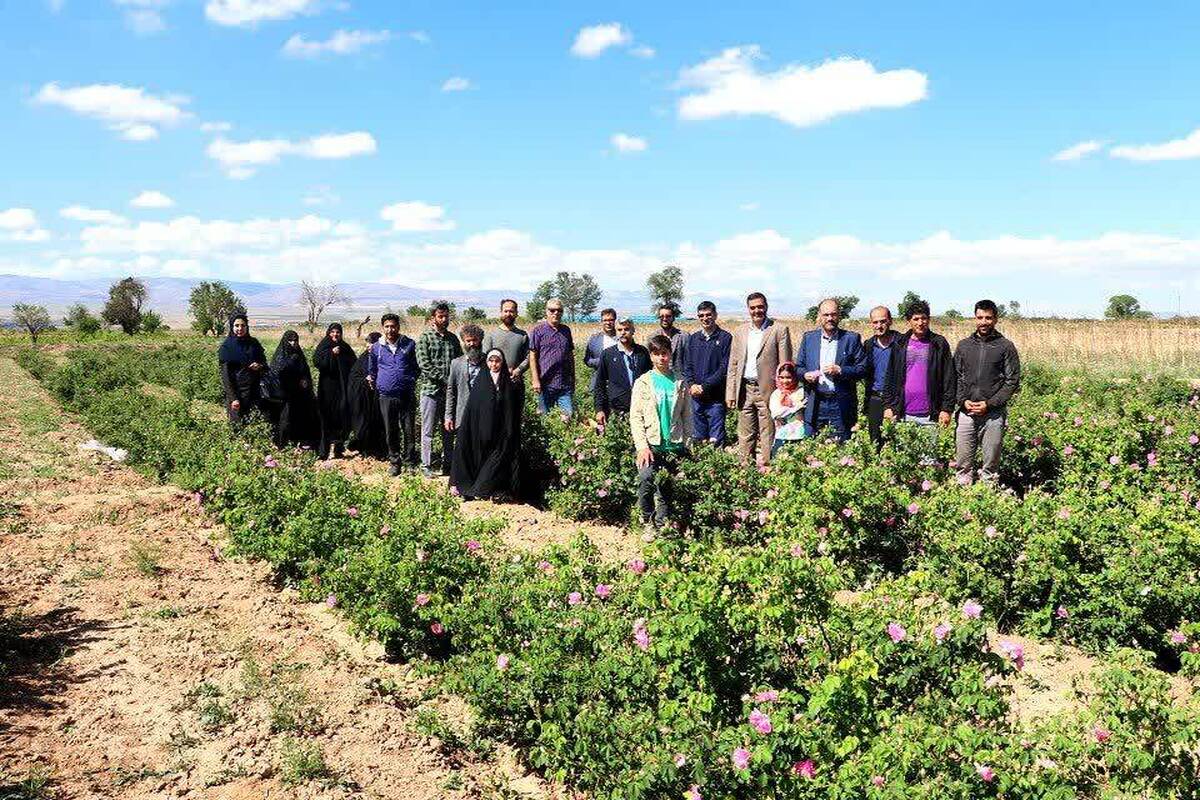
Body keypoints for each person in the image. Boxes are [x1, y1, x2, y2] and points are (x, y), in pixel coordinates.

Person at [953, 300, 1021, 485]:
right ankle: (963, 502)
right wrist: (962, 401)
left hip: (993, 415)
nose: (984, 322)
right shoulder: (964, 346)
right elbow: (956, 376)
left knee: (990, 466)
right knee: (963, 464)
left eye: (988, 318)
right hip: (967, 413)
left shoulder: (1005, 346)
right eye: (980, 317)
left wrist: (989, 404)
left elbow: (1012, 380)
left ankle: (987, 502)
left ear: (996, 319)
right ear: (975, 318)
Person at [630, 335, 692, 529]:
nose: (661, 358)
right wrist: (642, 447)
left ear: (670, 354)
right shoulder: (643, 382)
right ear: (651, 356)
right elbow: (636, 417)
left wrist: (688, 445)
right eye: (656, 354)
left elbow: (687, 416)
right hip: (651, 445)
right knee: (645, 479)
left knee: (666, 488)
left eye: (664, 353)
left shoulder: (680, 382)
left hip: (674, 444)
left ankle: (662, 524)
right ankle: (647, 519)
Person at [725, 293, 793, 465]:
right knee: (745, 434)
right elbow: (733, 364)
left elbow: (786, 365)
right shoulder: (740, 332)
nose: (757, 311)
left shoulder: (778, 330)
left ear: (766, 307)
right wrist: (730, 393)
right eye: (753, 307)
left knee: (768, 432)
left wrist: (785, 393)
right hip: (745, 389)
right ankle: (746, 474)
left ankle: (769, 472)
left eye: (760, 307)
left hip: (769, 390)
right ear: (748, 309)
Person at [882, 301, 955, 458]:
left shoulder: (939, 343)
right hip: (903, 414)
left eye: (924, 318)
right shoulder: (900, 343)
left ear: (929, 319)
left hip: (930, 415)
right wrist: (888, 405)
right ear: (909, 321)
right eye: (916, 319)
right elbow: (890, 376)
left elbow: (949, 378)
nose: (920, 323)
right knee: (904, 461)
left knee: (928, 462)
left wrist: (946, 409)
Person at [450, 349, 521, 501]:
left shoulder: (507, 381)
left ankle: (487, 487)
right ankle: (470, 486)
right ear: (487, 362)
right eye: (491, 361)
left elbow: (510, 409)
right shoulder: (481, 380)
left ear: (502, 363)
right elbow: (473, 407)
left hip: (499, 431)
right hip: (480, 430)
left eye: (497, 361)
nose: (494, 364)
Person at [796, 298, 866, 442]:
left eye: (833, 314)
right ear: (819, 316)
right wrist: (805, 374)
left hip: (840, 404)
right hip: (815, 402)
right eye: (826, 315)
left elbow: (862, 369)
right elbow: (798, 368)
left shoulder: (851, 339)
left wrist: (841, 370)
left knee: (841, 448)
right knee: (812, 446)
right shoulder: (809, 338)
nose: (830, 318)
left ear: (839, 315)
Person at [367, 313, 421, 476]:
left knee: (409, 429)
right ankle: (395, 462)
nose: (390, 329)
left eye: (393, 326)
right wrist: (375, 380)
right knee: (391, 430)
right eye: (387, 326)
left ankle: (410, 461)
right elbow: (372, 369)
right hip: (386, 395)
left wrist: (410, 380)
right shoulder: (377, 347)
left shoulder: (409, 344)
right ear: (383, 328)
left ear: (398, 327)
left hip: (406, 394)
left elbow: (416, 367)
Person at [415, 303, 463, 477]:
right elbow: (424, 364)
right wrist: (446, 379)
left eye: (446, 316)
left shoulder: (453, 339)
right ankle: (426, 465)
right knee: (427, 429)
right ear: (433, 318)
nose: (444, 319)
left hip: (449, 394)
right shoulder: (425, 338)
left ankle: (448, 464)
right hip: (430, 390)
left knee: (448, 428)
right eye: (440, 316)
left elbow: (459, 361)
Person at [683, 301, 732, 446]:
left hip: (715, 398)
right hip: (696, 397)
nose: (705, 318)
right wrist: (691, 385)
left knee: (716, 440)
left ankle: (716, 466)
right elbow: (688, 365)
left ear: (715, 315)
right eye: (701, 316)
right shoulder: (693, 338)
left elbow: (724, 368)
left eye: (708, 315)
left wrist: (704, 386)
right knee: (699, 437)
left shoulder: (725, 338)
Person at [312, 322, 358, 459]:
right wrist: (331, 354)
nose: (335, 334)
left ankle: (339, 449)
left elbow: (354, 364)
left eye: (338, 332)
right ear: (328, 333)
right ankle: (323, 451)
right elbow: (317, 362)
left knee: (341, 417)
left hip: (342, 388)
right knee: (326, 417)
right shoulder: (324, 346)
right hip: (327, 389)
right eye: (332, 332)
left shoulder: (345, 347)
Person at [268, 329, 320, 450]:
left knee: (301, 417)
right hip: (285, 394)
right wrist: (292, 364)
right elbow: (277, 373)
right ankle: (282, 444)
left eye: (295, 340)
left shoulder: (299, 354)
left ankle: (301, 441)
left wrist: (305, 380)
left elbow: (305, 371)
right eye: (290, 340)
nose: (293, 343)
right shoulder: (280, 355)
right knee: (285, 419)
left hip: (300, 393)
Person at [594, 318, 651, 425]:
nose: (623, 333)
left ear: (633, 331)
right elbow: (600, 384)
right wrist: (599, 409)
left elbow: (650, 379)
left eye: (627, 329)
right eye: (620, 330)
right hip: (617, 409)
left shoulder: (642, 352)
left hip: (642, 408)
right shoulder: (608, 354)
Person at [218, 314, 268, 427]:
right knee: (237, 425)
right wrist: (233, 398)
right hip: (237, 392)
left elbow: (265, 364)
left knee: (253, 422)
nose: (240, 329)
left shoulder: (253, 343)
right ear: (232, 327)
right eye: (236, 325)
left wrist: (259, 365)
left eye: (243, 325)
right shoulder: (227, 347)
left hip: (255, 391)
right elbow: (226, 376)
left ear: (247, 327)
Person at [527, 298, 576, 415]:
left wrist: (573, 377)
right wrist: (535, 380)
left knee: (568, 416)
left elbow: (570, 355)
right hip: (545, 384)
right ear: (546, 312)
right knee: (544, 417)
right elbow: (532, 356)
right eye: (552, 310)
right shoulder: (538, 331)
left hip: (564, 384)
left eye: (559, 310)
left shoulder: (566, 330)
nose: (556, 313)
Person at [445, 324, 485, 462]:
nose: (472, 344)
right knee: (463, 447)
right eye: (468, 341)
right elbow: (451, 391)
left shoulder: (489, 362)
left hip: (483, 413)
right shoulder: (456, 363)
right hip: (463, 412)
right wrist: (448, 416)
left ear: (480, 340)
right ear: (463, 342)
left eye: (475, 340)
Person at [863, 306, 900, 446]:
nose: (879, 326)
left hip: (896, 399)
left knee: (896, 441)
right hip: (875, 398)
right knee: (875, 441)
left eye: (883, 321)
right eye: (875, 322)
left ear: (890, 321)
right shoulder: (868, 345)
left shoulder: (901, 342)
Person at [347, 332, 386, 458]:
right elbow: (354, 378)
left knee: (379, 424)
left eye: (372, 343)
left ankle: (380, 450)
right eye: (368, 343)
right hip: (364, 399)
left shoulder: (383, 357)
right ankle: (364, 449)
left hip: (378, 397)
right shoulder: (363, 358)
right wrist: (365, 380)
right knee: (364, 424)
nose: (369, 346)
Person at [768, 362, 806, 457]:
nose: (785, 381)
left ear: (795, 377)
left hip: (799, 436)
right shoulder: (776, 394)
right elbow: (777, 414)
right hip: (781, 435)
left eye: (788, 377)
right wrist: (796, 408)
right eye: (781, 377)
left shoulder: (802, 392)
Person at [584, 308, 619, 393]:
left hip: (618, 383)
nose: (608, 323)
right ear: (601, 321)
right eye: (605, 320)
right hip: (598, 381)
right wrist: (601, 361)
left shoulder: (621, 339)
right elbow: (587, 360)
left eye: (611, 320)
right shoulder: (594, 339)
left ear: (615, 321)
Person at [654, 304, 689, 374]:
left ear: (673, 318)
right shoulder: (653, 337)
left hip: (679, 379)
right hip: (659, 377)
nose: (664, 319)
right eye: (661, 316)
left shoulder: (684, 336)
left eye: (668, 316)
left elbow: (690, 360)